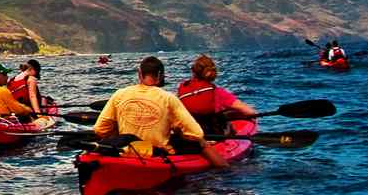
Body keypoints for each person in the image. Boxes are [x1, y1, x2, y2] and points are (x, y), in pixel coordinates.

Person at [94, 56, 229, 169]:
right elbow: (196, 133)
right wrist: (177, 131)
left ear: (139, 74)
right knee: (201, 142)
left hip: (127, 150)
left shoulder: (119, 94)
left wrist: (118, 133)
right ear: (160, 76)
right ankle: (226, 171)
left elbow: (100, 129)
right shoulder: (168, 98)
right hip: (155, 154)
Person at [177, 54, 257, 135]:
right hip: (212, 134)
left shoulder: (182, 88)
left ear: (193, 72)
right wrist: (234, 114)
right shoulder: (218, 92)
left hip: (188, 134)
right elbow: (251, 112)